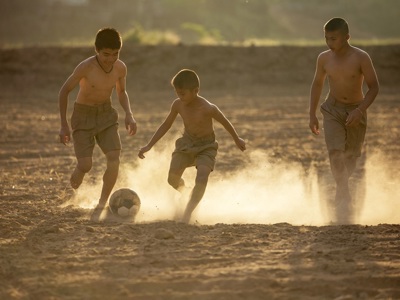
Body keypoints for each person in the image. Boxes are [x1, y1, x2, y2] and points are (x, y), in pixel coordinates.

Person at [138, 69, 246, 223]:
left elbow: (225, 122)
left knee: (202, 177)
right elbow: (166, 124)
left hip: (206, 146)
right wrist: (149, 145)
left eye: (182, 93)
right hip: (186, 144)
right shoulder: (178, 104)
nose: (179, 97)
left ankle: (188, 212)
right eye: (177, 93)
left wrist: (237, 139)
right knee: (172, 179)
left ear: (196, 91)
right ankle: (186, 191)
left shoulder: (208, 108)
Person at [58, 28, 137, 221]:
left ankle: (102, 203)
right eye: (106, 54)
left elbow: (121, 92)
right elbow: (64, 91)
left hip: (106, 115)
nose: (111, 59)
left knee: (114, 157)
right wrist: (64, 125)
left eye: (115, 54)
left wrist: (129, 114)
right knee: (86, 165)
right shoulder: (85, 67)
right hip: (83, 116)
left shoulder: (120, 68)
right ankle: (80, 170)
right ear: (96, 50)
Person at [309, 18, 379, 224]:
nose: (329, 43)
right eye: (326, 38)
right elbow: (317, 84)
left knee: (352, 156)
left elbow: (374, 87)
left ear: (347, 37)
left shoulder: (361, 57)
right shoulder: (323, 58)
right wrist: (312, 113)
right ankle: (343, 193)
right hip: (332, 109)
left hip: (356, 110)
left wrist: (360, 110)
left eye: (333, 38)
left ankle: (341, 188)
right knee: (335, 151)